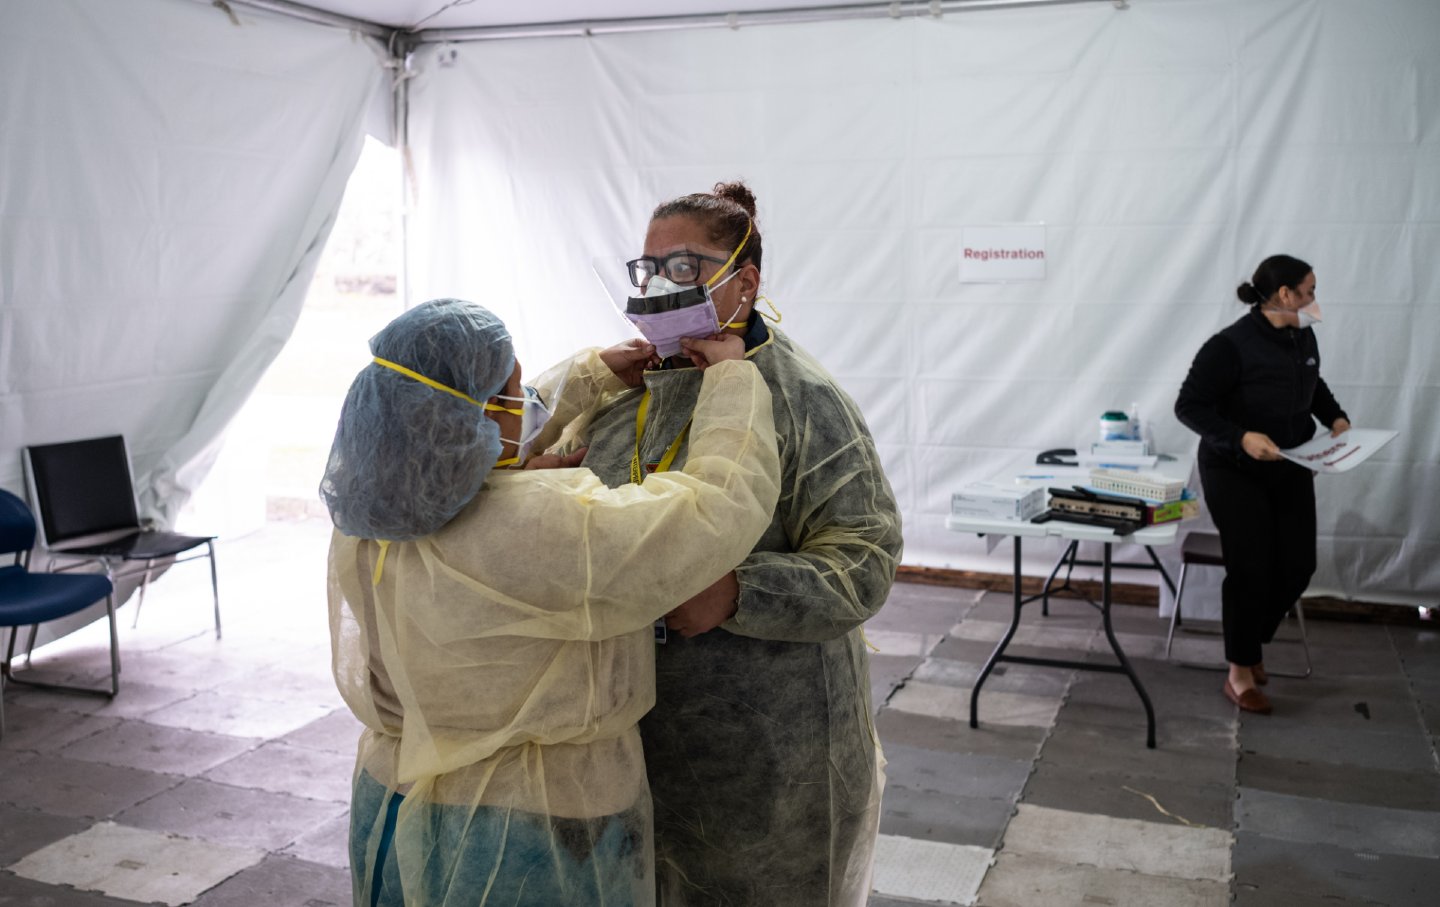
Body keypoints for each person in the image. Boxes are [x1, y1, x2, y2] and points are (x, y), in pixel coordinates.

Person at [321, 298, 781, 906]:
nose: (527, 401)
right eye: (515, 388)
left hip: (393, 800)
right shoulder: (546, 525)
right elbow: (713, 510)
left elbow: (466, 427)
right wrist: (731, 379)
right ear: (477, 414)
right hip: (530, 825)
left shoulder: (370, 508)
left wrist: (591, 375)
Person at [578, 182, 903, 906]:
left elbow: (864, 557)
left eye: (685, 269)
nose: (660, 285)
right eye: (650, 267)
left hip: (766, 749)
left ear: (744, 282)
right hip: (632, 733)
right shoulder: (629, 387)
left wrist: (736, 592)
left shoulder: (801, 398)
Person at [1175, 255, 1349, 715]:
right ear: (1286, 295)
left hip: (1291, 463)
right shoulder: (1229, 346)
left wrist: (1334, 416)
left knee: (1298, 566)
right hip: (1234, 469)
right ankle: (1240, 670)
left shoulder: (1302, 334)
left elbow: (1312, 383)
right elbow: (1189, 406)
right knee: (1250, 567)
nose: (1315, 297)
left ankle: (1249, 644)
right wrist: (1240, 437)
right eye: (1310, 289)